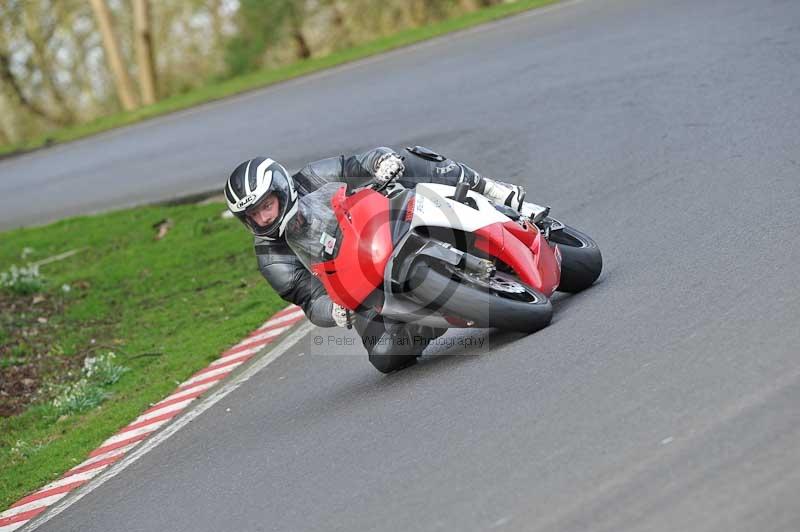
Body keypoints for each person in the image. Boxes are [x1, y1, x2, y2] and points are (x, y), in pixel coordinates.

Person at [223, 146, 527, 371]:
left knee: (408, 159)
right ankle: (438, 312)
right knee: (384, 355)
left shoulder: (311, 178)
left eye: (267, 206)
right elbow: (310, 300)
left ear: (281, 190)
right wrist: (335, 311)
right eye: (254, 214)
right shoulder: (272, 259)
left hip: (384, 222)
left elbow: (355, 164)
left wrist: (382, 162)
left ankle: (490, 190)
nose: (264, 218)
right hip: (360, 283)